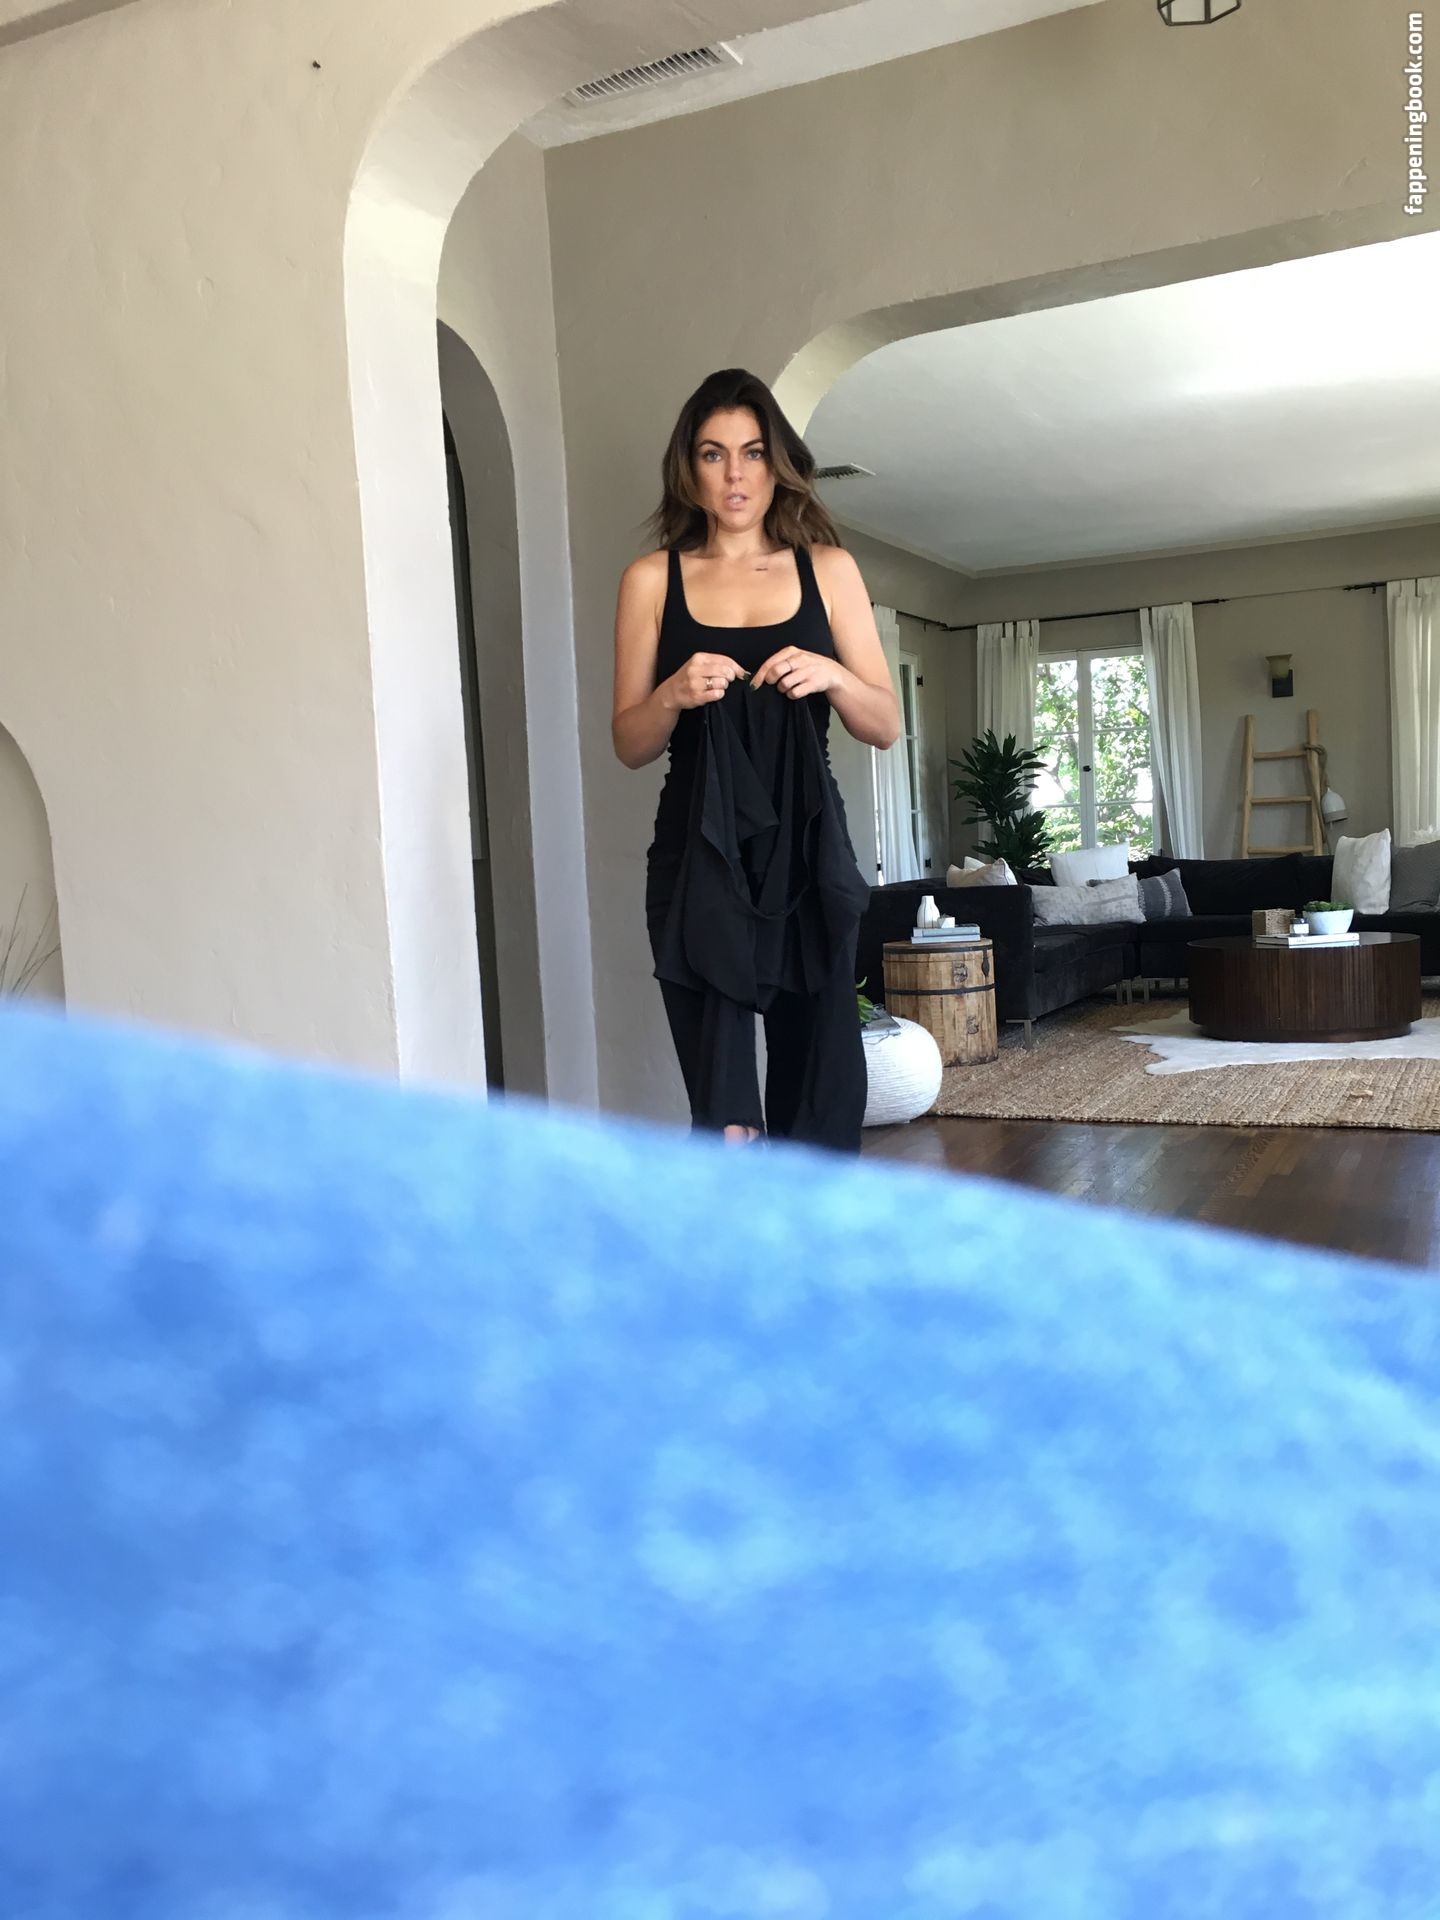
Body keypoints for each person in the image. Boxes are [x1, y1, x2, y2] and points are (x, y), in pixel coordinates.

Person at [612, 368, 900, 1154]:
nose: (734, 475)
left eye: (752, 452)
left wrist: (833, 674)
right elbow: (630, 743)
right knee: (726, 1114)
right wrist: (672, 693)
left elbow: (884, 725)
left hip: (806, 853)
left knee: (819, 1096)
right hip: (697, 857)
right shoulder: (652, 579)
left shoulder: (827, 568)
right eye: (713, 454)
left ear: (778, 464)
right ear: (690, 467)